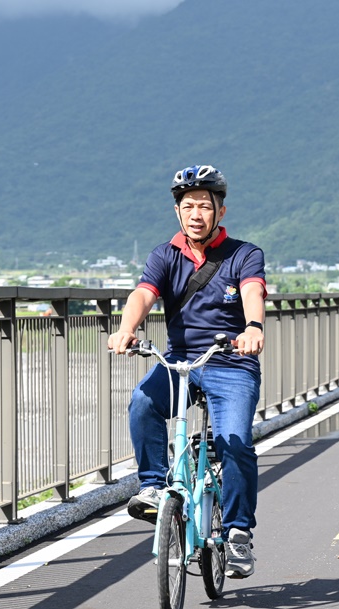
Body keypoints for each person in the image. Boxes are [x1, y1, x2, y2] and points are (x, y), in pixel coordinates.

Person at [107, 165, 266, 579]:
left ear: (221, 211)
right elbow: (144, 293)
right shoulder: (165, 254)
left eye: (204, 206)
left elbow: (252, 289)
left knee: (235, 442)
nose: (196, 213)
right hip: (181, 361)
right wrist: (127, 329)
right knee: (143, 402)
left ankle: (237, 534)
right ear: (178, 211)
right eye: (188, 205)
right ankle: (154, 487)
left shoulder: (244, 254)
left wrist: (253, 328)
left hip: (230, 361)